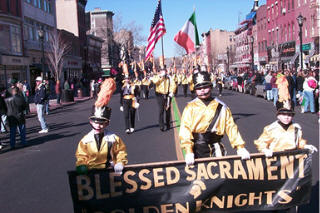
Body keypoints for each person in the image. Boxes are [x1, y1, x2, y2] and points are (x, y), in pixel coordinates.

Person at [179, 71, 251, 166]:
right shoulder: (190, 107)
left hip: (215, 147)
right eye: (199, 88)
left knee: (219, 176)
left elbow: (231, 127)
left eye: (205, 87)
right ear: (195, 90)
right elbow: (185, 129)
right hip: (197, 149)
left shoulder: (221, 106)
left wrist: (240, 147)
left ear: (211, 87)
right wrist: (188, 150)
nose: (203, 90)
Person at [75, 78, 128, 175]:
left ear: (106, 124)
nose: (98, 125)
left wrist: (120, 162)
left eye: (101, 123)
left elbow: (120, 151)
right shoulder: (85, 140)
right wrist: (81, 165)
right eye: (95, 122)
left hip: (110, 173)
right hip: (91, 174)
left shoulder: (113, 139)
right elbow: (81, 155)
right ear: (91, 122)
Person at [151, 67, 176, 131]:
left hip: (167, 95)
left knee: (167, 110)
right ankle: (161, 125)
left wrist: (171, 92)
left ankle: (168, 124)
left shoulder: (169, 78)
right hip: (160, 95)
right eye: (162, 71)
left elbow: (173, 85)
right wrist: (160, 77)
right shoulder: (157, 77)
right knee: (161, 110)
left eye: (164, 70)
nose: (163, 72)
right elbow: (155, 81)